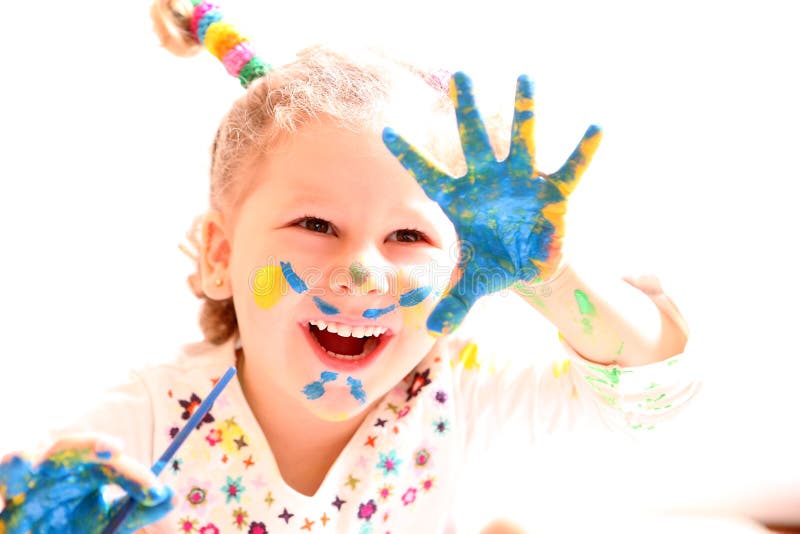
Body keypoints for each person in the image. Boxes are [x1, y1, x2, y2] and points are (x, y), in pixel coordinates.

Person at [0, 0, 699, 532]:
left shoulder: (458, 398)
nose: (362, 275)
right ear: (221, 254)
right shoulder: (142, 425)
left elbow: (653, 395)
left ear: (462, 267)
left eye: (409, 237)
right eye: (314, 224)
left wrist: (550, 276)